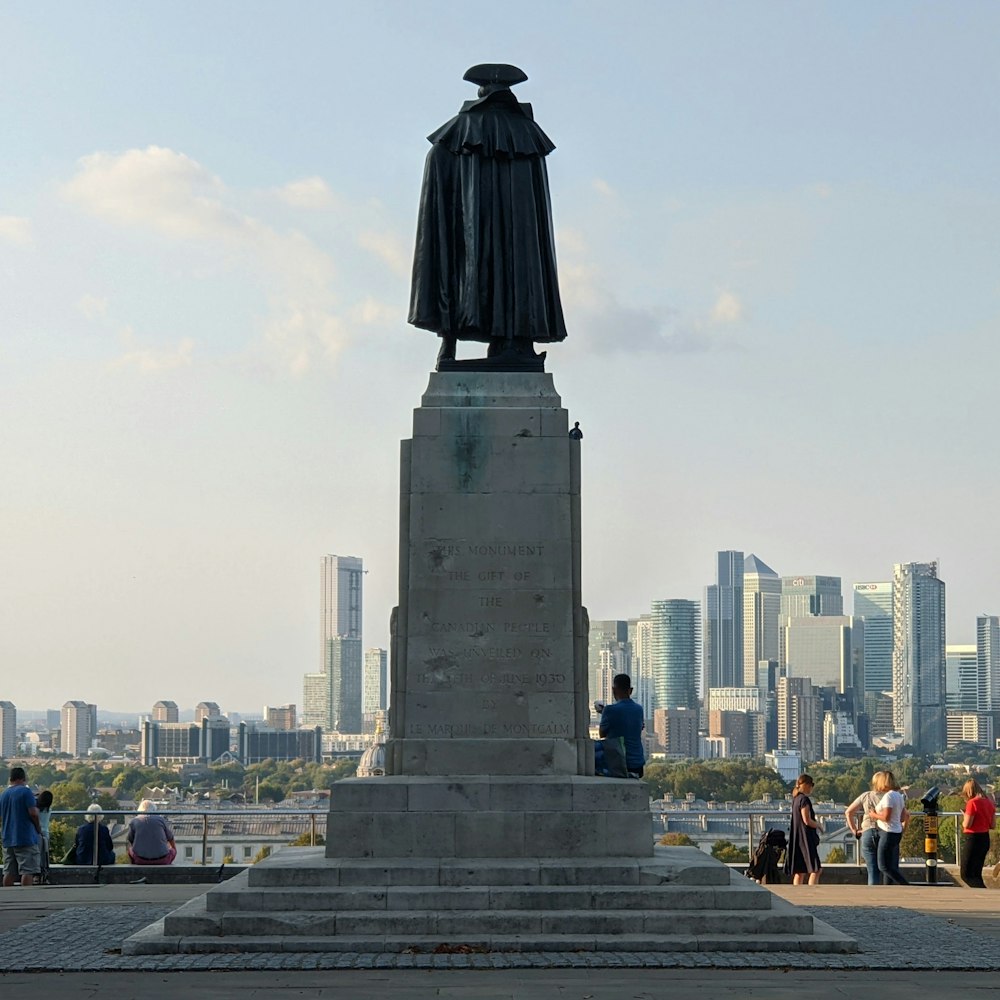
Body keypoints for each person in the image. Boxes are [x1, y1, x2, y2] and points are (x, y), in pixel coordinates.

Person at [409, 63, 567, 368]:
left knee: (462, 266)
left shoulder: (455, 134)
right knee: (515, 263)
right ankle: (515, 338)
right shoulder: (525, 134)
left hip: (471, 238)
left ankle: (457, 344)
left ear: (481, 93)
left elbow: (439, 188)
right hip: (515, 247)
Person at [1, 766, 42, 887]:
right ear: (23, 778)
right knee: (27, 870)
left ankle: (8, 899)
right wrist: (38, 828)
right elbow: (33, 813)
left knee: (9, 871)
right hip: (25, 837)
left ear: (11, 779)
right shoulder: (26, 791)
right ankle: (26, 898)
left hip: (8, 838)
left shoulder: (4, 794)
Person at [598, 674, 645, 778]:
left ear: (613, 690)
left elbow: (602, 734)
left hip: (620, 762)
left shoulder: (609, 710)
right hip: (637, 764)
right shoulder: (639, 709)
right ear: (631, 690)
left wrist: (604, 713)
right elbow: (632, 726)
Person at [869, 770, 909, 886]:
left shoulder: (888, 797)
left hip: (887, 832)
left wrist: (873, 815)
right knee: (891, 864)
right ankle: (889, 887)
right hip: (896, 832)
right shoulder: (899, 796)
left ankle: (905, 884)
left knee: (883, 866)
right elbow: (902, 818)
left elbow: (886, 817)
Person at [845, 772, 885, 885]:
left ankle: (873, 895)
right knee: (886, 868)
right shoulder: (889, 796)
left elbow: (848, 812)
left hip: (867, 831)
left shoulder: (866, 795)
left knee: (872, 870)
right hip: (884, 832)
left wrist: (855, 830)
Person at [784, 773, 822, 885]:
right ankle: (812, 893)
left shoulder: (796, 799)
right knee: (816, 869)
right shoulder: (804, 800)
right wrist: (818, 825)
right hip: (806, 838)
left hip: (797, 838)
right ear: (805, 785)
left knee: (799, 871)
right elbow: (807, 820)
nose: (812, 787)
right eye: (811, 785)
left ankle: (797, 894)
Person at [960, 778, 996, 889]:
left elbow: (967, 824)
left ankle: (984, 892)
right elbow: (993, 825)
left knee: (966, 874)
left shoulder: (972, 803)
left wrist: (965, 815)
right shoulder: (989, 803)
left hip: (973, 838)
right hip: (985, 838)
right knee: (976, 873)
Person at [126, 800, 176, 865]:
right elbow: (170, 838)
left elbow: (130, 840)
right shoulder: (161, 820)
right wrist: (173, 848)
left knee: (130, 850)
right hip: (163, 860)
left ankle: (134, 869)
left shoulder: (134, 821)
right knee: (173, 850)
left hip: (140, 860)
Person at [35, 789, 53, 884]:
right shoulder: (48, 809)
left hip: (37, 834)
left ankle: (36, 876)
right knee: (45, 856)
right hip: (46, 834)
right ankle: (44, 876)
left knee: (37, 856)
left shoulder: (36, 809)